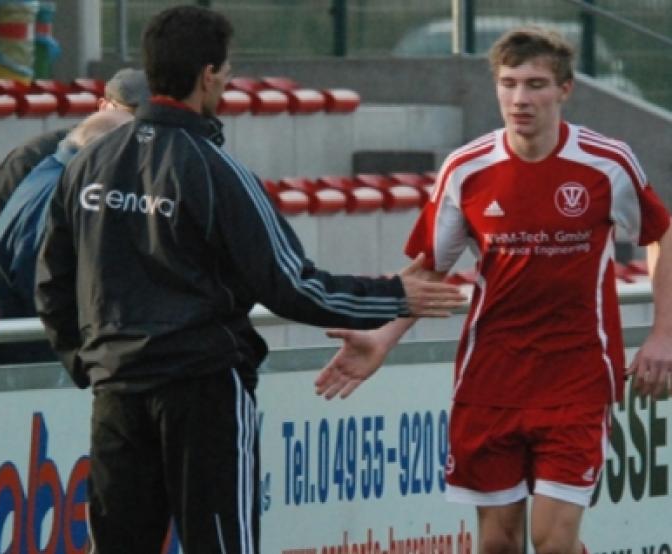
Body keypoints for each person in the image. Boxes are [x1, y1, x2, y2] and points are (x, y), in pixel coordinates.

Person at [34, 6, 465, 553]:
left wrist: (88, 361)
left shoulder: (89, 163)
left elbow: (51, 281)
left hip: (116, 391)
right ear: (209, 75)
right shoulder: (216, 171)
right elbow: (291, 284)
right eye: (227, 69)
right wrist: (393, 297)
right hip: (202, 389)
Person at [315, 27, 672, 554]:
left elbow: (661, 233)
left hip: (575, 375)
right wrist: (382, 338)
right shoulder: (467, 168)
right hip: (491, 378)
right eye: (508, 83)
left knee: (552, 541)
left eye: (536, 84)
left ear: (565, 90)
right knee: (498, 543)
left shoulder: (607, 163)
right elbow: (428, 268)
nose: (520, 98)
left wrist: (663, 334)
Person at [0, 108, 134, 364]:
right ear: (104, 154)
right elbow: (41, 284)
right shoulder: (61, 194)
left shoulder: (48, 175)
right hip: (27, 362)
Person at [0, 67, 151, 266]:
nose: (139, 129)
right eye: (132, 116)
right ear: (103, 107)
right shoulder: (32, 160)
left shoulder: (156, 163)